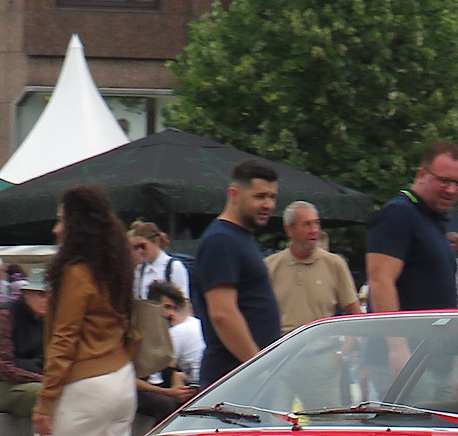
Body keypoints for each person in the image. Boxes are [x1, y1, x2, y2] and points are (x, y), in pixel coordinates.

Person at [34, 183, 139, 436]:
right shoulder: (116, 269)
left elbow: (64, 338)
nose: (56, 229)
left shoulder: (76, 272)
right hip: (123, 382)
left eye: (62, 220)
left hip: (85, 386)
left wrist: (46, 402)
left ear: (77, 225)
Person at [193, 158, 282, 383]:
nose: (268, 205)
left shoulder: (240, 237)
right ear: (234, 194)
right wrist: (258, 366)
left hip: (245, 374)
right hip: (233, 376)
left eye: (272, 197)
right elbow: (222, 314)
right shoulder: (222, 240)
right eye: (259, 196)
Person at [366, 141, 458, 312]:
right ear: (421, 175)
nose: (451, 190)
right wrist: (396, 337)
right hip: (406, 336)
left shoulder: (431, 218)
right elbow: (380, 282)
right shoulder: (398, 213)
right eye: (444, 181)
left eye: (457, 183)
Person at [268, 200, 361, 329]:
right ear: (289, 230)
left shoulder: (334, 264)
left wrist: (347, 347)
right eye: (307, 224)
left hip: (325, 346)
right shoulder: (270, 266)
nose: (314, 230)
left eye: (316, 223)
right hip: (284, 345)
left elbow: (354, 312)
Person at [0, 268, 49, 418]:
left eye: (51, 296)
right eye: (41, 295)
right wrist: (46, 380)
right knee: (46, 394)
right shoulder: (4, 316)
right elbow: (5, 370)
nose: (47, 300)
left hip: (34, 382)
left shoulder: (46, 320)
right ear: (26, 294)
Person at [128, 221, 189, 305]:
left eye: (143, 246)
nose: (140, 251)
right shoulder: (140, 269)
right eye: (136, 247)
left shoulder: (174, 267)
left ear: (156, 241)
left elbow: (183, 303)